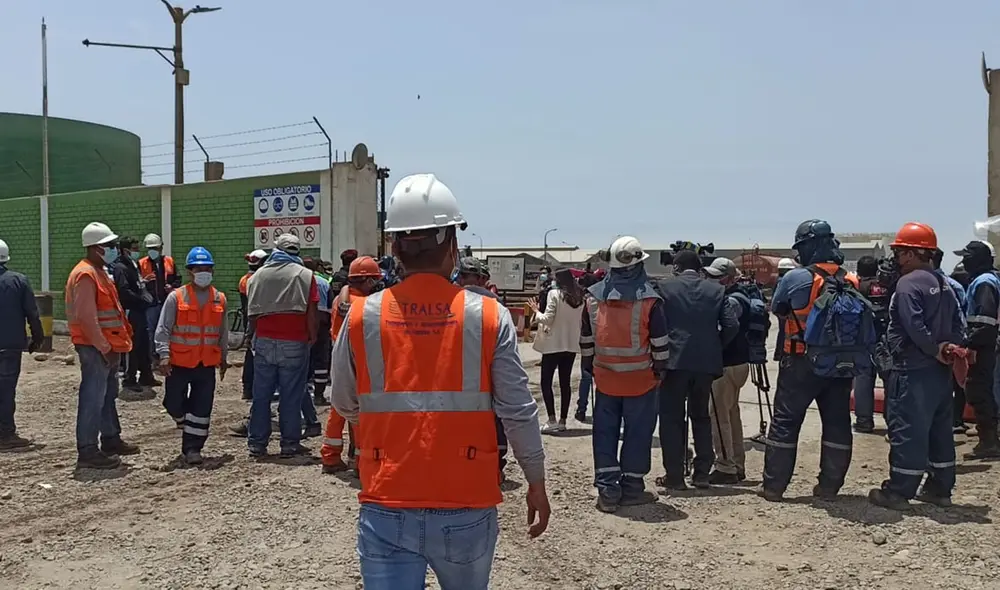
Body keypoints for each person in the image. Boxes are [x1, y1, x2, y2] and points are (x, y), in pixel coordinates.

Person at [330, 173, 550, 589]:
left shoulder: (361, 316)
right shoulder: (488, 315)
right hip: (465, 501)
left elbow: (344, 402)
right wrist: (535, 480)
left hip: (386, 498)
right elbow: (518, 410)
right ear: (452, 244)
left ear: (394, 249)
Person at [761, 219, 866, 502]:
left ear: (807, 246)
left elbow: (779, 309)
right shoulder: (851, 279)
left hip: (800, 362)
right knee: (837, 423)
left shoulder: (795, 278)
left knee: (785, 423)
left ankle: (774, 487)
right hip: (841, 365)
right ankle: (829, 487)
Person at [868, 223, 964, 510]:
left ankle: (899, 490)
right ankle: (940, 487)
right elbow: (959, 323)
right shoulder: (945, 283)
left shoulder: (908, 284)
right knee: (939, 430)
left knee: (908, 428)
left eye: (899, 253)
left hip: (913, 368)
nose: (897, 259)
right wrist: (946, 350)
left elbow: (913, 325)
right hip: (940, 372)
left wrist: (932, 350)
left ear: (911, 254)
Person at [581, 236, 668, 511]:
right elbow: (661, 345)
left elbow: (585, 340)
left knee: (604, 433)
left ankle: (607, 492)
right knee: (638, 434)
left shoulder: (594, 297)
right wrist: (660, 371)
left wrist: (589, 368)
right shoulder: (651, 300)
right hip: (641, 381)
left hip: (605, 380)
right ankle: (631, 488)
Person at [655, 249, 738, 490]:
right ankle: (702, 473)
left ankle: (675, 476)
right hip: (705, 363)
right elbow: (731, 325)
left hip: (674, 362)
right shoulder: (716, 290)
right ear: (700, 267)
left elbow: (657, 325)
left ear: (677, 268)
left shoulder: (665, 288)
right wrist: (715, 346)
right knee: (701, 416)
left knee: (672, 420)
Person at [66, 222, 139, 469]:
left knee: (107, 395)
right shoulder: (86, 274)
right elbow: (87, 317)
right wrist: (104, 347)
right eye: (109, 245)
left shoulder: (99, 272)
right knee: (93, 397)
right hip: (95, 347)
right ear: (96, 248)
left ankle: (110, 438)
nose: (114, 249)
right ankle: (87, 450)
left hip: (108, 346)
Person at [246, 233, 319, 459]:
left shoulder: (258, 275)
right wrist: (311, 337)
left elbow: (253, 314)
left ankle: (257, 443)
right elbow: (312, 312)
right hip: (295, 341)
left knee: (261, 395)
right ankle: (289, 443)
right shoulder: (306, 275)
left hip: (265, 341)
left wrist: (252, 337)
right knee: (291, 395)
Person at [155, 247, 229, 465]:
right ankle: (183, 421)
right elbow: (163, 328)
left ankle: (193, 448)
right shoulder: (176, 297)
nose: (203, 272)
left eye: (207, 269)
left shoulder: (220, 299)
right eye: (198, 269)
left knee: (201, 408)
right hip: (179, 362)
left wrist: (224, 357)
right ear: (190, 272)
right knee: (173, 403)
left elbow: (222, 332)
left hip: (206, 363)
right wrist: (163, 355)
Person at [453, 256, 513, 482]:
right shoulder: (496, 307)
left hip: (459, 379)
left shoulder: (448, 303)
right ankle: (494, 469)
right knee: (494, 424)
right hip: (487, 378)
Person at [320, 255, 381, 474]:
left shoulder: (341, 299)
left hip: (338, 357)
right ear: (367, 281)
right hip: (357, 359)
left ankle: (330, 456)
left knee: (337, 409)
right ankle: (360, 461)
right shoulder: (362, 303)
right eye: (374, 280)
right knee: (359, 412)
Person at [702, 258, 753, 484]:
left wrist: (715, 348)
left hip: (727, 364)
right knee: (731, 415)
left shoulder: (731, 300)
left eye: (716, 276)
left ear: (730, 278)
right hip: (738, 363)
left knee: (719, 415)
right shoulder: (741, 295)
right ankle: (736, 463)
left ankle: (725, 466)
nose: (711, 280)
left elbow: (725, 327)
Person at [954, 240, 1000, 458]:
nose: (964, 262)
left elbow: (984, 320)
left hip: (983, 346)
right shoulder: (989, 279)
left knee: (979, 391)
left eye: (967, 257)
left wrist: (968, 344)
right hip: (987, 345)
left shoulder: (984, 283)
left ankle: (989, 442)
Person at [528, 267, 584, 432]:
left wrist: (536, 311)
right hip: (570, 345)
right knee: (565, 383)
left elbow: (547, 319)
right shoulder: (579, 297)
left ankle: (551, 418)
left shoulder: (555, 295)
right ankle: (563, 421)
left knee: (546, 382)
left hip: (553, 344)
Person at [0, 239, 44, 449]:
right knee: (6, 390)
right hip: (10, 346)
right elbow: (32, 313)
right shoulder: (18, 280)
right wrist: (37, 338)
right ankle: (6, 434)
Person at [113, 236, 158, 391]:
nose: (137, 252)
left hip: (140, 310)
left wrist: (144, 286)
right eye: (135, 249)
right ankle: (129, 378)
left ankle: (146, 375)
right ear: (125, 250)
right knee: (131, 345)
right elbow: (124, 291)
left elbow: (136, 283)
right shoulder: (120, 268)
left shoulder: (133, 265)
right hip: (131, 311)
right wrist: (140, 298)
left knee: (143, 344)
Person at [852, 255, 890, 434]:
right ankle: (893, 421)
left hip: (864, 341)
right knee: (890, 382)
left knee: (863, 381)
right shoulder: (887, 284)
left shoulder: (857, 287)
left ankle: (864, 421)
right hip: (887, 340)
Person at [138, 233, 180, 363]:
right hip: (151, 304)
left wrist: (171, 286)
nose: (153, 251)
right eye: (151, 249)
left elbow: (178, 279)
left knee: (168, 329)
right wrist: (144, 281)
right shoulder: (141, 263)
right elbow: (137, 283)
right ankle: (153, 357)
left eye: (156, 248)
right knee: (151, 331)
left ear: (161, 248)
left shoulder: (169, 261)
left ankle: (167, 355)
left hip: (167, 302)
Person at [303, 257, 333, 406]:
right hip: (322, 323)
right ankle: (319, 395)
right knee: (321, 359)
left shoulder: (299, 281)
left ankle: (304, 391)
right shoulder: (324, 282)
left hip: (303, 322)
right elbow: (330, 305)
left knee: (304, 357)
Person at [239, 249, 267, 401]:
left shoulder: (245, 279)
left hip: (250, 322)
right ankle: (252, 389)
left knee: (250, 356)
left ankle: (247, 388)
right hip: (258, 323)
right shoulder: (259, 279)